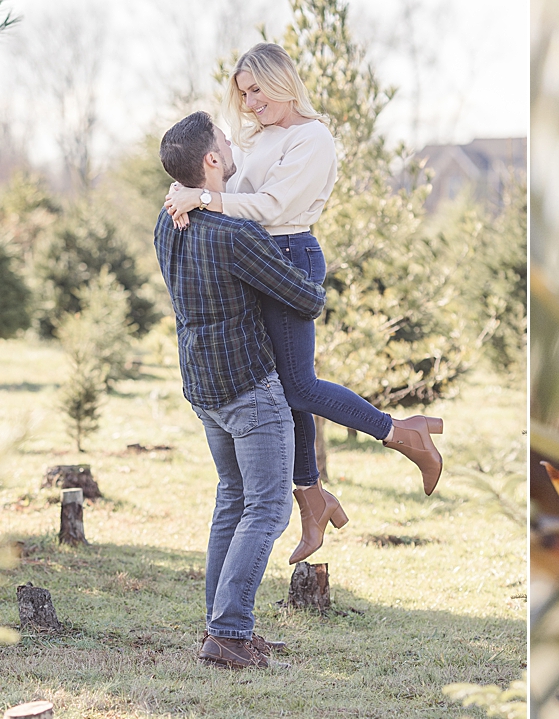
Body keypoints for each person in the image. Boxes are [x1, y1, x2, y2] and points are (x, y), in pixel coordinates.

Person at [163, 43, 443, 566]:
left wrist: (200, 199)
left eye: (257, 89)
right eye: (243, 94)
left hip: (290, 253)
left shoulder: (312, 139)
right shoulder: (262, 137)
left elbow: (269, 208)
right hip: (263, 255)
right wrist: (189, 191)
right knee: (281, 390)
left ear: (282, 81)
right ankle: (312, 501)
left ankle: (403, 434)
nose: (250, 101)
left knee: (298, 385)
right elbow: (228, 186)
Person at [154, 110, 326, 671]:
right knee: (268, 509)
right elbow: (304, 298)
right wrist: (305, 253)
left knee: (232, 499)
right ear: (211, 161)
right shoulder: (235, 234)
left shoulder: (168, 222)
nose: (233, 147)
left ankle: (220, 626)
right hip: (249, 387)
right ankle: (229, 632)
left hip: (203, 386)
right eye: (225, 142)